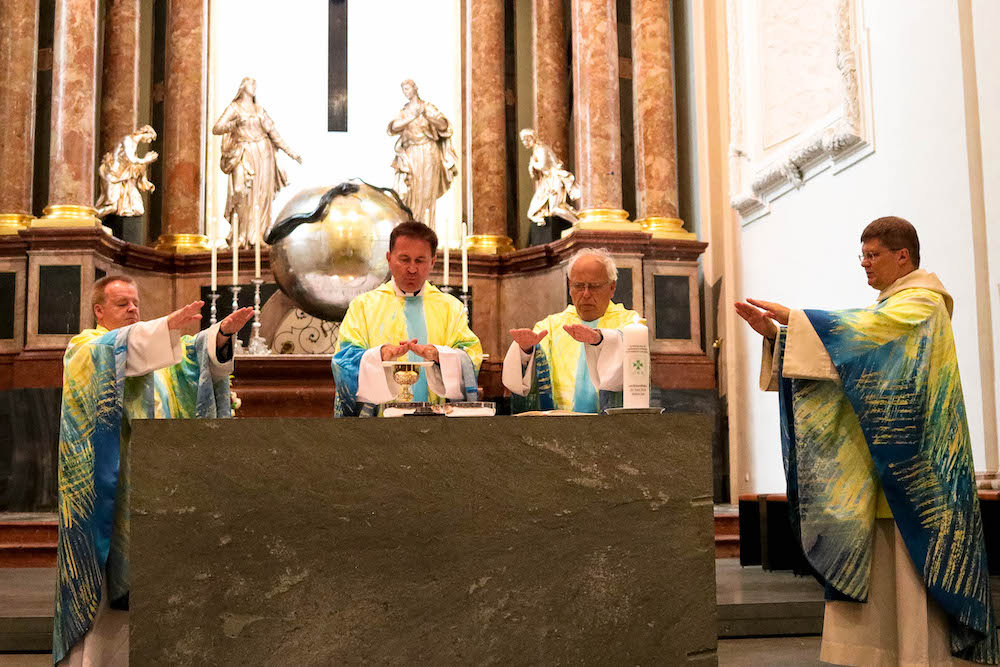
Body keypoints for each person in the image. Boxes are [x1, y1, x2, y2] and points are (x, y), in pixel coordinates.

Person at [735, 216, 998, 665]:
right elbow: (851, 364)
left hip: (919, 478)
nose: (865, 265)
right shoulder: (890, 307)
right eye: (862, 255)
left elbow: (862, 336)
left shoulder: (922, 305)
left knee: (914, 583)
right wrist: (779, 338)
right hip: (882, 473)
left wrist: (794, 319)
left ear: (903, 256)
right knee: (883, 583)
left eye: (873, 255)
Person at [53, 276, 254, 666]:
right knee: (109, 590)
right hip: (112, 493)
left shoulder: (155, 354)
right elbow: (121, 351)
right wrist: (166, 326)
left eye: (135, 303)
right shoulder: (85, 349)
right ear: (99, 311)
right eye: (122, 304)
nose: (133, 310)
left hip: (158, 488)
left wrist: (221, 336)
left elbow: (192, 363)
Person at [332, 221, 482, 416]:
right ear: (389, 258)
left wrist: (439, 355)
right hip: (379, 427)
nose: (412, 269)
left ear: (433, 262)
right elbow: (343, 359)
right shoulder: (364, 306)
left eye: (420, 260)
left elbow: (471, 356)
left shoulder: (450, 308)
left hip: (435, 423)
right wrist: (379, 356)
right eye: (404, 259)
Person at [503, 248, 644, 413]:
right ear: (570, 286)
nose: (585, 294)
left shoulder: (629, 322)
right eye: (578, 286)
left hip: (612, 427)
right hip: (561, 426)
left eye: (594, 286)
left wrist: (600, 339)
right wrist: (525, 350)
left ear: (612, 288)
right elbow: (525, 377)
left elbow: (635, 358)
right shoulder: (551, 326)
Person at [213, 76, 302, 248]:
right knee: (241, 192)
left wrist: (292, 153)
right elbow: (217, 128)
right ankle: (241, 236)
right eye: (250, 83)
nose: (253, 86)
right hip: (244, 153)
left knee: (262, 195)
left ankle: (258, 236)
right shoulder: (234, 108)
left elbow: (274, 135)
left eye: (255, 84)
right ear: (242, 87)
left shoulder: (259, 110)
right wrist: (234, 124)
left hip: (263, 154)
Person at [387, 79, 458, 225]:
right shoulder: (405, 111)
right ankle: (413, 227)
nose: (406, 92)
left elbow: (444, 125)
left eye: (408, 89)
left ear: (415, 88)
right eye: (404, 90)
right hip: (411, 153)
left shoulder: (427, 107)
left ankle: (427, 229)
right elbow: (393, 127)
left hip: (428, 152)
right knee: (412, 192)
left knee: (427, 192)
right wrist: (412, 116)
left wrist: (427, 115)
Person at [95, 125, 158, 218]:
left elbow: (133, 164)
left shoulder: (135, 144)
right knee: (111, 206)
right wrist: (145, 159)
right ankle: (89, 219)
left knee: (136, 208)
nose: (149, 141)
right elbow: (131, 159)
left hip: (122, 177)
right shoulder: (127, 140)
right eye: (150, 138)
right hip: (113, 175)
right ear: (145, 133)